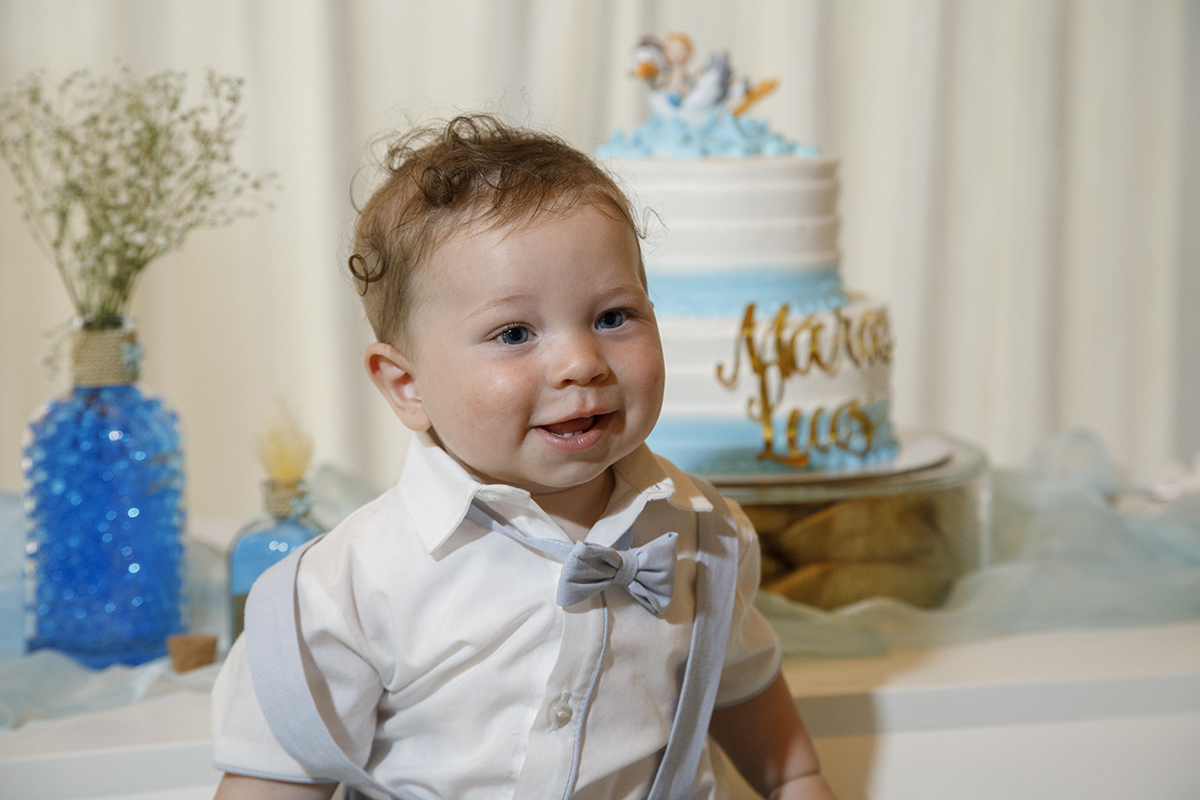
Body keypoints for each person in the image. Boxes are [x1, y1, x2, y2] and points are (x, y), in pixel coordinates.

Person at [210, 114, 836, 800]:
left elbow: (767, 729)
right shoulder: (348, 585)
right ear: (408, 384)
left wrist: (799, 784)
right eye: (514, 332)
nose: (580, 363)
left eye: (613, 317)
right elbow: (274, 783)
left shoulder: (707, 535)